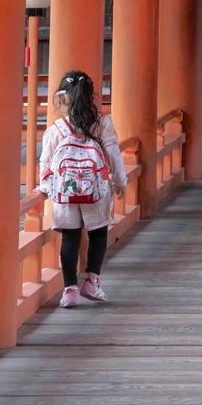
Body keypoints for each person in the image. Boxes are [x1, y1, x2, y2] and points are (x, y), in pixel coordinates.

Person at [40, 69, 127, 306]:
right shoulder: (102, 123)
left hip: (65, 192)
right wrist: (120, 181)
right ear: (90, 96)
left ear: (62, 98)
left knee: (70, 237)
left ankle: (69, 290)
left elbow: (46, 164)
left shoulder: (56, 129)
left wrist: (45, 187)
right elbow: (113, 155)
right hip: (96, 189)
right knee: (98, 233)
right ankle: (92, 280)